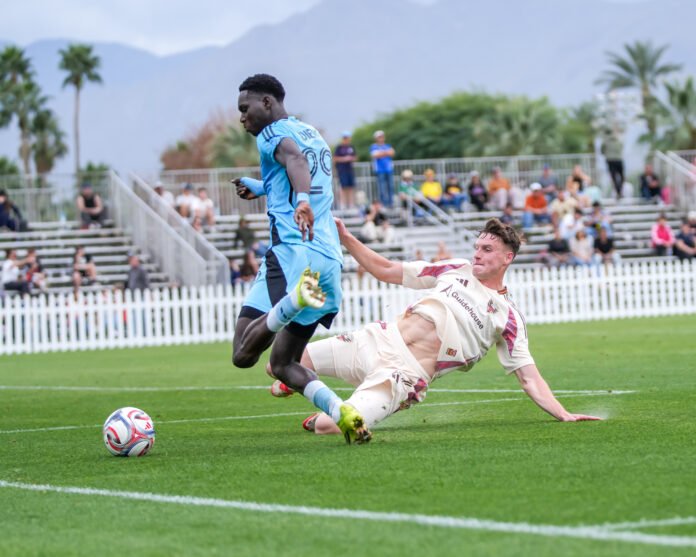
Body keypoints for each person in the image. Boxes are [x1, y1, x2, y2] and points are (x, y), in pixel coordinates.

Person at [269, 218, 601, 437]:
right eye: (477, 248)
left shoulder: (508, 316)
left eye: (487, 250)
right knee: (275, 366)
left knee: (330, 425)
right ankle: (294, 380)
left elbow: (529, 377)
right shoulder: (455, 268)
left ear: (507, 258)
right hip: (375, 339)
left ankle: (310, 401)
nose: (477, 255)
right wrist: (346, 237)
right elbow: (385, 269)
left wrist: (564, 413)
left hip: (402, 376)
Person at [231, 73, 370, 444]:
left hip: (293, 253)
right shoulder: (312, 133)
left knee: (243, 354)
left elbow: (293, 161)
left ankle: (295, 298)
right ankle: (342, 413)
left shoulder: (271, 134)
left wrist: (302, 200)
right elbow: (301, 168)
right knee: (282, 364)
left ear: (266, 103)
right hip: (326, 257)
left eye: (245, 109)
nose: (242, 117)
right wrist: (262, 187)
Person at [370, 130, 395, 208]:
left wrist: (382, 153)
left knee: (390, 187)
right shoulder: (374, 146)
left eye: (382, 137)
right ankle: (384, 204)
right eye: (379, 137)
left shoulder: (388, 145)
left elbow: (392, 153)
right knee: (382, 188)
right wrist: (386, 153)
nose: (381, 138)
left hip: (389, 169)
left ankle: (391, 203)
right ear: (376, 138)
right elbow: (375, 155)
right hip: (380, 170)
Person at [333, 131, 357, 209]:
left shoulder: (351, 147)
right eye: (345, 138)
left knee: (351, 187)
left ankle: (351, 204)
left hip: (350, 170)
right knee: (343, 188)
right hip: (342, 170)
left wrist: (351, 158)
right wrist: (345, 159)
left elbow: (355, 157)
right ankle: (342, 204)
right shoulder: (339, 147)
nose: (346, 139)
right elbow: (335, 158)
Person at [601, 132, 624, 200]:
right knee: (621, 176)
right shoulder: (618, 141)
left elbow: (602, 150)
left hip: (611, 160)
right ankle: (619, 191)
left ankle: (618, 191)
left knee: (614, 177)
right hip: (618, 160)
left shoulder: (606, 141)